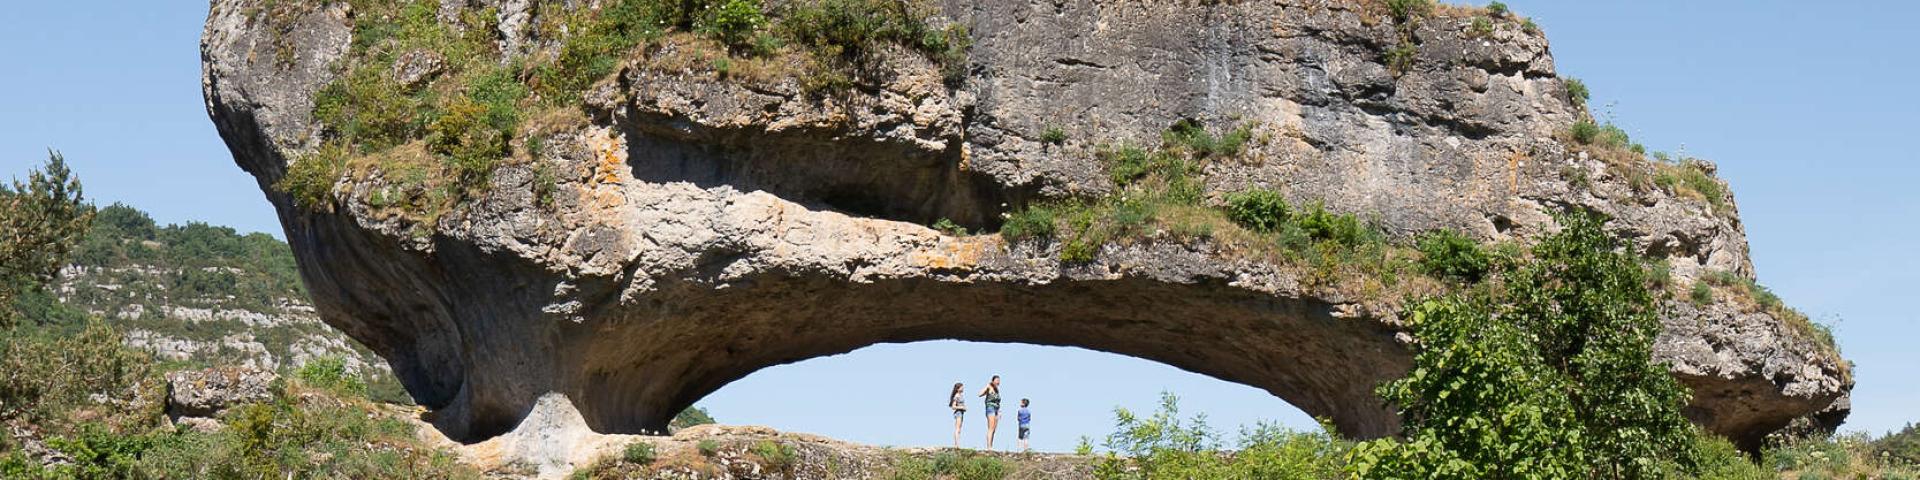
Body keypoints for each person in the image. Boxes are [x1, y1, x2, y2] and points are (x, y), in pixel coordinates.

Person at [978, 375, 1002, 450]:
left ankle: (991, 445)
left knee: (994, 429)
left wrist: (999, 411)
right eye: (997, 380)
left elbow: (998, 402)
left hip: (996, 410)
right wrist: (987, 386)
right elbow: (980, 394)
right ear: (993, 380)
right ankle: (988, 446)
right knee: (991, 428)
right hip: (990, 408)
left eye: (999, 380)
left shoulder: (997, 390)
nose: (998, 381)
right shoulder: (989, 387)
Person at [949, 382, 967, 448]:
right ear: (958, 388)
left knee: (959, 429)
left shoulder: (960, 395)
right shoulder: (956, 396)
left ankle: (957, 443)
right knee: (957, 428)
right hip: (958, 412)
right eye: (961, 387)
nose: (963, 388)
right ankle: (956, 444)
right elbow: (953, 407)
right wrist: (961, 407)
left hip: (961, 413)